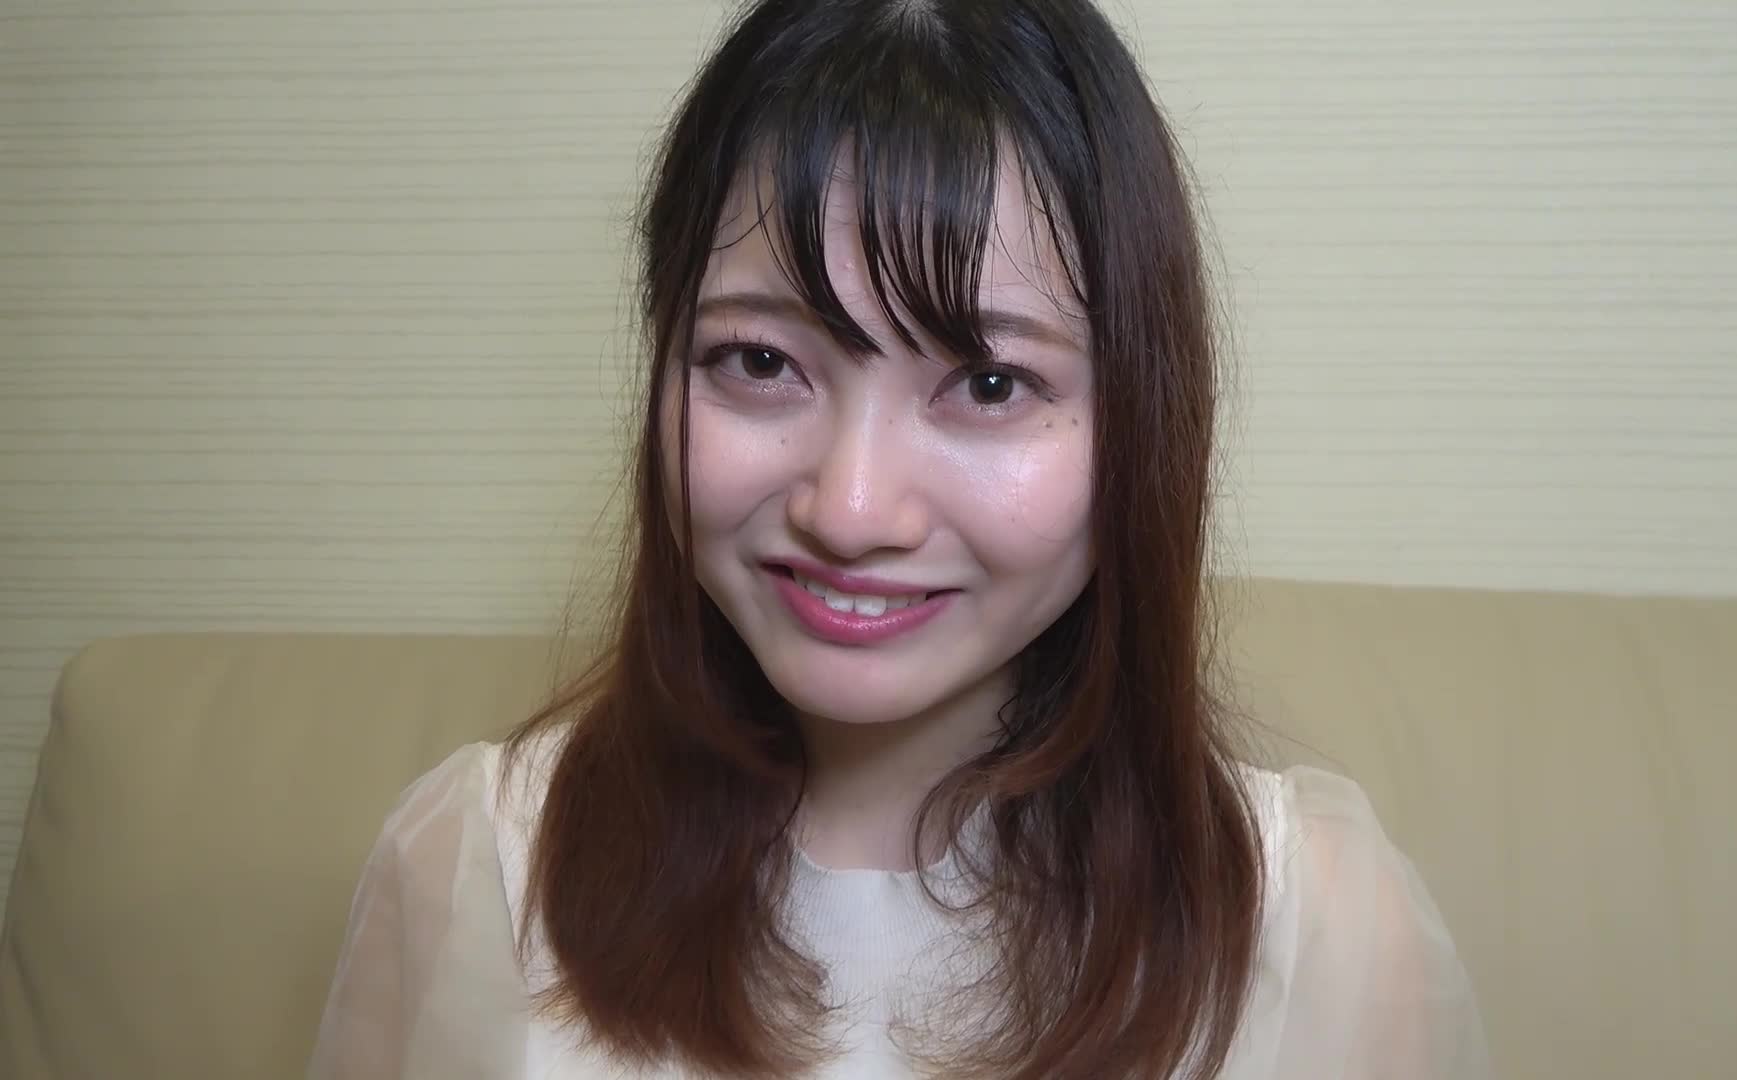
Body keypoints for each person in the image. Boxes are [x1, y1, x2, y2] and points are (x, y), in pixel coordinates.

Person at [308, 0, 1490, 1076]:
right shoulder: (477, 867)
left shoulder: (1314, 926)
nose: (852, 509)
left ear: (1141, 417)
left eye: (988, 383)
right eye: (758, 361)